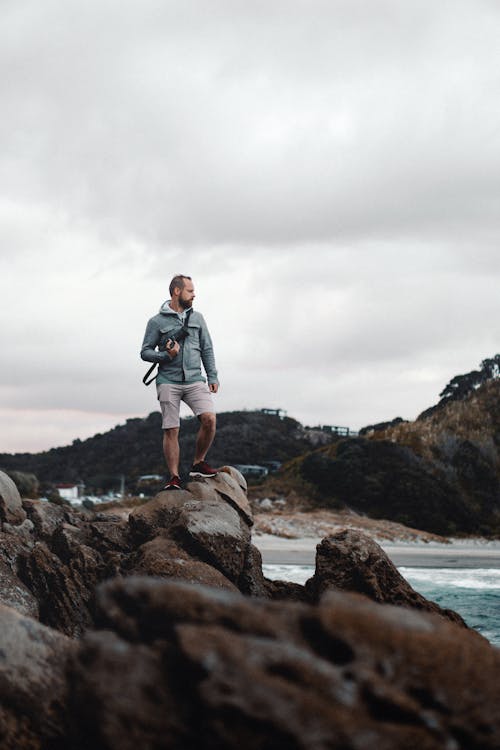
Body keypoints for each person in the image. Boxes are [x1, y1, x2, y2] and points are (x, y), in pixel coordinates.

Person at [140, 274, 219, 490]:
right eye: (190, 291)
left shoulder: (198, 318)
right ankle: (174, 477)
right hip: (168, 381)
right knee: (171, 429)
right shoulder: (156, 322)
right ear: (177, 292)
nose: (194, 294)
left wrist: (212, 375)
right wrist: (166, 356)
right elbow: (145, 352)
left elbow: (207, 348)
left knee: (210, 419)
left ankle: (198, 463)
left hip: (195, 379)